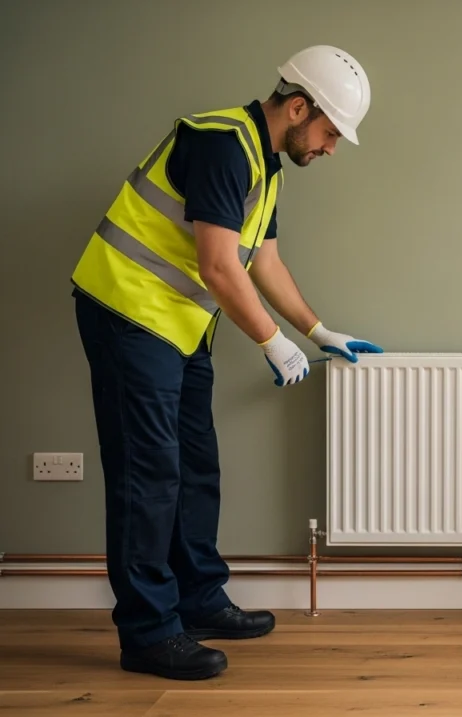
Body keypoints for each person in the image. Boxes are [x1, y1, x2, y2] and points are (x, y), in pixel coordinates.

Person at [68, 45, 383, 681]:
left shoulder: (266, 166)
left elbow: (263, 261)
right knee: (147, 475)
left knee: (196, 467)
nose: (331, 148)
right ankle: (149, 633)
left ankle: (199, 598)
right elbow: (217, 265)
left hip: (179, 326)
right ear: (299, 108)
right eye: (330, 132)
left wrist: (317, 331)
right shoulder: (220, 144)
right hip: (128, 313)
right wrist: (271, 341)